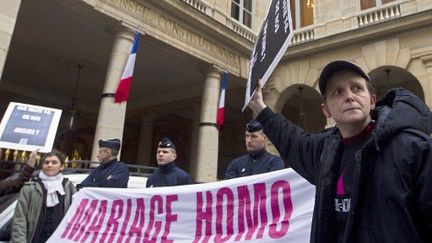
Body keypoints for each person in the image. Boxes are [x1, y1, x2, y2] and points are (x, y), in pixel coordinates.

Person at [248, 60, 432, 242]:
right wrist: (258, 106)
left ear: (373, 101)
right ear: (326, 110)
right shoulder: (323, 152)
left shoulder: (415, 148)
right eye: (338, 92)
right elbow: (290, 138)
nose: (349, 96)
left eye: (357, 88)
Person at [11, 150, 76, 243]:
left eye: (54, 162)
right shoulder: (30, 188)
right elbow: (19, 220)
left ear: (61, 167)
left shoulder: (69, 188)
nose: (50, 165)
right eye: (46, 162)